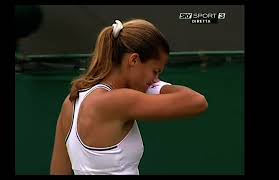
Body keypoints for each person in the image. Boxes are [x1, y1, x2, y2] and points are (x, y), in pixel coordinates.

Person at [50, 19, 208, 175]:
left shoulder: (70, 103)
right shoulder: (120, 100)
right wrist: (156, 86)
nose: (155, 79)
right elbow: (197, 102)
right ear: (133, 60)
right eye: (155, 71)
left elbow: (59, 171)